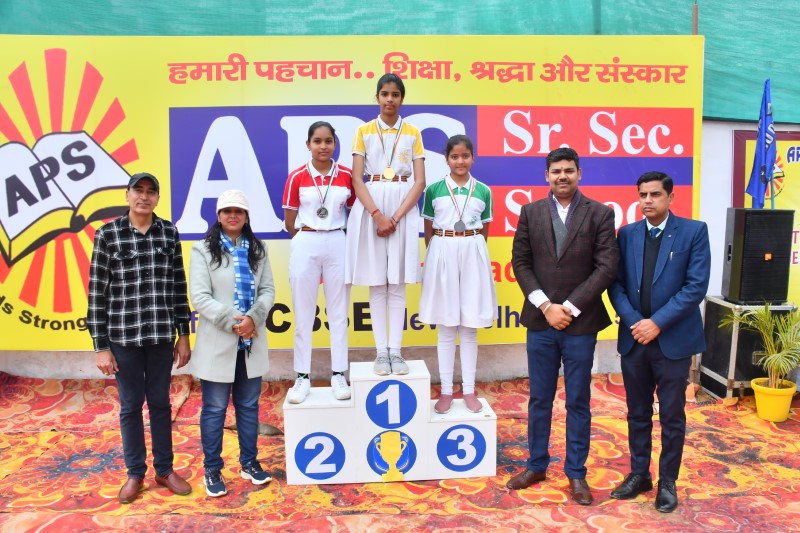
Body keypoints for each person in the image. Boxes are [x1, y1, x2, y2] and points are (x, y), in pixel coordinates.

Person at [508, 147, 619, 505]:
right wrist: (546, 306)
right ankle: (536, 465)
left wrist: (568, 308)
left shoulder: (600, 213)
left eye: (569, 170)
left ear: (579, 173)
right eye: (556, 171)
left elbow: (606, 267)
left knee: (578, 400)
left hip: (580, 324)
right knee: (539, 398)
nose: (562, 176)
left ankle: (576, 473)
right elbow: (521, 262)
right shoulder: (531, 212)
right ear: (546, 176)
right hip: (540, 322)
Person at [608, 171, 710, 513]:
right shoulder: (626, 234)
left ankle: (668, 481)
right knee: (637, 413)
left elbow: (695, 287)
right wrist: (635, 322)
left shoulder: (694, 232)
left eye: (655, 194)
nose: (647, 201)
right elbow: (615, 285)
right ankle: (640, 474)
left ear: (670, 197)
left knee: (671, 415)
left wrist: (657, 323)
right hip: (635, 339)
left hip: (673, 341)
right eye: (643, 195)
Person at [88, 172, 192, 504]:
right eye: (138, 190)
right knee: (131, 406)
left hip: (161, 335)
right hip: (123, 337)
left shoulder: (168, 233)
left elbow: (178, 287)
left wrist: (184, 335)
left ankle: (165, 469)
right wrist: (101, 347)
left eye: (151, 191)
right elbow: (96, 293)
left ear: (158, 198)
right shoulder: (108, 234)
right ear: (128, 195)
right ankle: (135, 473)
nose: (144, 197)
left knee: (160, 403)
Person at [189, 189, 276, 497]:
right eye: (227, 211)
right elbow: (200, 297)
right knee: (214, 408)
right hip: (219, 342)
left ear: (247, 216)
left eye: (238, 211)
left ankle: (249, 463)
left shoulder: (258, 249)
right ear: (218, 216)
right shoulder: (203, 250)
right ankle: (212, 469)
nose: (233, 215)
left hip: (251, 341)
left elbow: (267, 291)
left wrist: (253, 318)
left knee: (249, 407)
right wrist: (234, 322)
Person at [345, 73, 426, 376]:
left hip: (403, 205)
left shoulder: (413, 132)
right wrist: (378, 215)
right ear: (377, 97)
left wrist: (396, 217)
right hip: (372, 205)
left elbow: (420, 181)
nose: (389, 99)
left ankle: (396, 351)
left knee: (398, 283)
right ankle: (381, 353)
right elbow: (357, 178)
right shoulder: (363, 131)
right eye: (384, 94)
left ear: (402, 98)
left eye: (395, 94)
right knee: (378, 283)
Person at [418, 134, 497, 414]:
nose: (460, 161)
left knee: (469, 326)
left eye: (465, 156)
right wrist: (439, 254)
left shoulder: (483, 190)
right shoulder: (434, 190)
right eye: (454, 157)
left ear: (473, 158)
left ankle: (469, 390)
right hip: (443, 249)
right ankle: (446, 391)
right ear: (446, 159)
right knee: (446, 325)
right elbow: (428, 229)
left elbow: (484, 229)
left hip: (472, 250)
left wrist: (470, 250)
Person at [282, 121, 355, 404]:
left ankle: (339, 374)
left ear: (335, 144)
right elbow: (290, 220)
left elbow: (354, 214)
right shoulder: (297, 176)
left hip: (338, 240)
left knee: (338, 313)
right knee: (303, 314)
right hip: (306, 240)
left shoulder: (346, 175)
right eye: (317, 141)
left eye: (328, 141)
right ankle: (302, 377)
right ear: (308, 144)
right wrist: (308, 236)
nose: (323, 146)